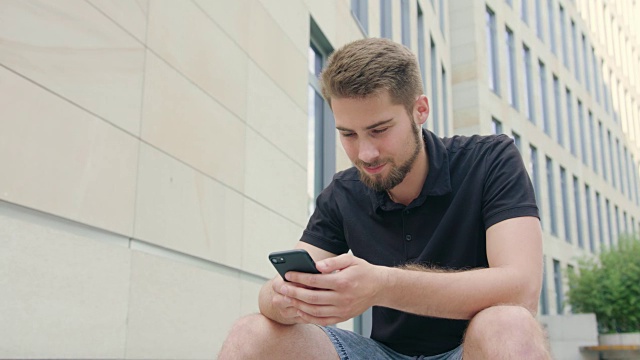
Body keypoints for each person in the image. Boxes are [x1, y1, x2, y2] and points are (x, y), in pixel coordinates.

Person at [219, 38, 551, 359]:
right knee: (251, 334)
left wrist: (381, 285)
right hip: (380, 354)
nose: (365, 153)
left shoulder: (490, 160)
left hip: (471, 351)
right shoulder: (343, 193)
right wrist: (284, 300)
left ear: (420, 110)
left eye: (379, 130)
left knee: (509, 324)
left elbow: (521, 290)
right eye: (348, 134)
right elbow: (273, 290)